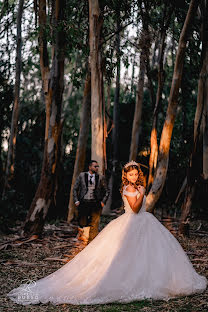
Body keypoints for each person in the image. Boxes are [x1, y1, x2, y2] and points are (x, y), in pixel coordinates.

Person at [7, 161, 207, 305]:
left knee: (150, 255)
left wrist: (142, 191)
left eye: (136, 174)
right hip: (131, 223)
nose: (133, 177)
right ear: (125, 176)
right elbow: (136, 208)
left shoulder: (138, 186)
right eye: (130, 174)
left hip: (146, 224)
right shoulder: (129, 189)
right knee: (122, 256)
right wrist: (143, 193)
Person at [73, 160, 109, 243]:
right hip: (84, 201)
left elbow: (107, 191)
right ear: (90, 167)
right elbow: (75, 189)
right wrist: (76, 200)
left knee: (94, 223)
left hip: (96, 202)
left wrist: (103, 201)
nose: (97, 168)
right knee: (83, 221)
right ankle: (83, 237)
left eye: (97, 166)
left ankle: (91, 242)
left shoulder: (101, 177)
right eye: (95, 166)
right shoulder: (82, 175)